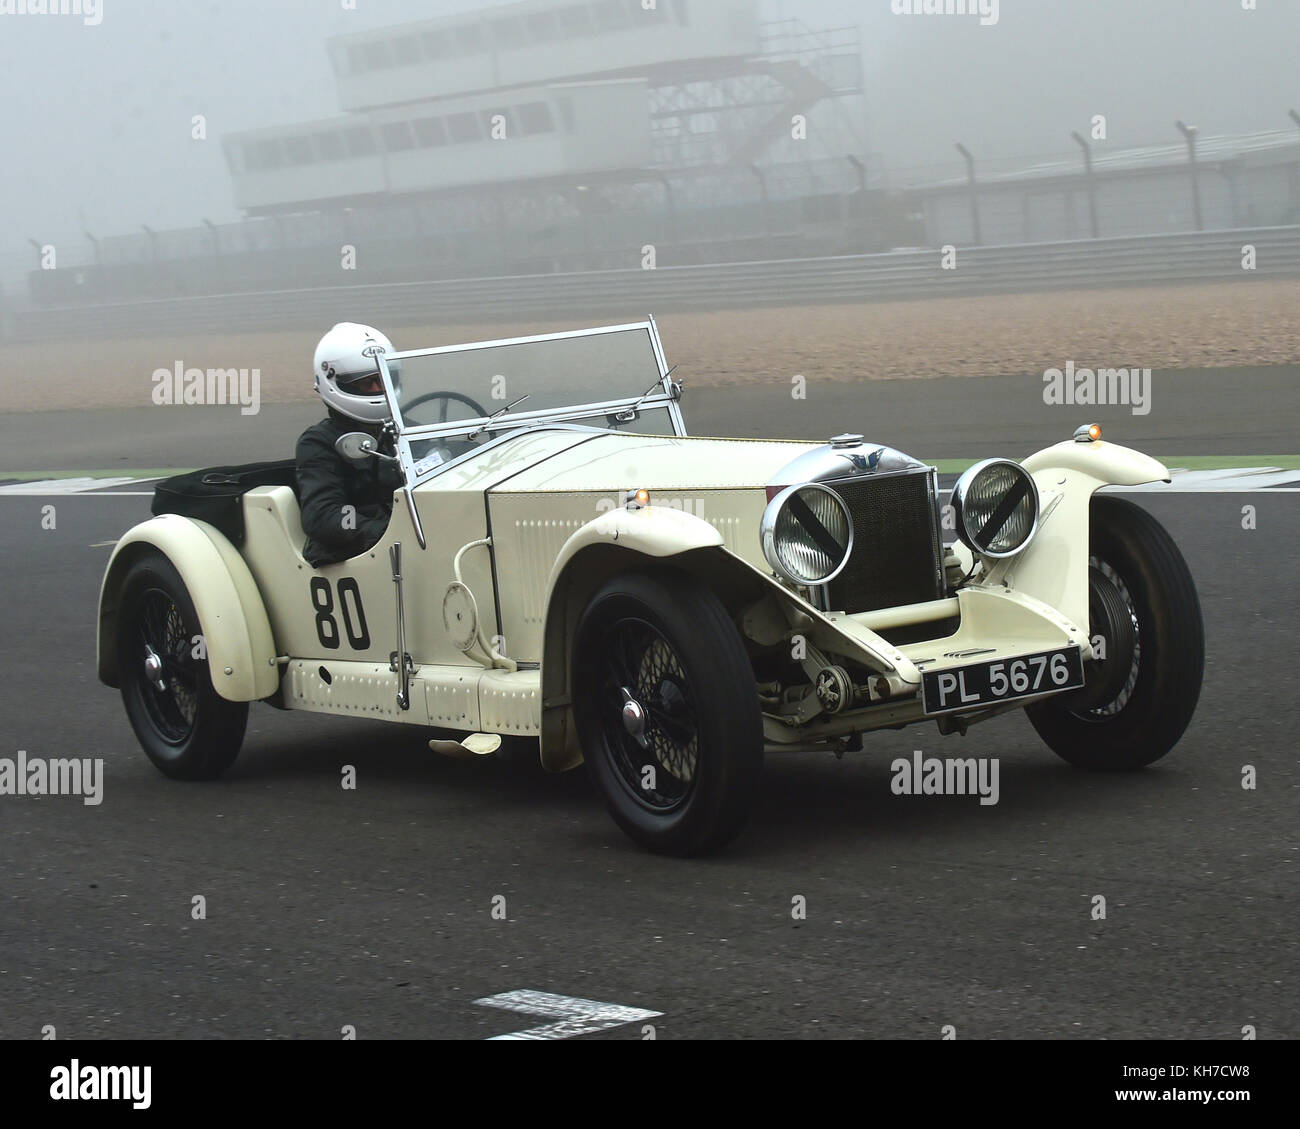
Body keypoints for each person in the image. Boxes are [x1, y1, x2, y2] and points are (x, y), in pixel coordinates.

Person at [296, 323, 405, 568]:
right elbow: (323, 516)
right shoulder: (318, 442)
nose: (378, 389)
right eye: (367, 383)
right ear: (339, 383)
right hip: (365, 560)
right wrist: (388, 532)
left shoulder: (407, 428)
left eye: (383, 379)